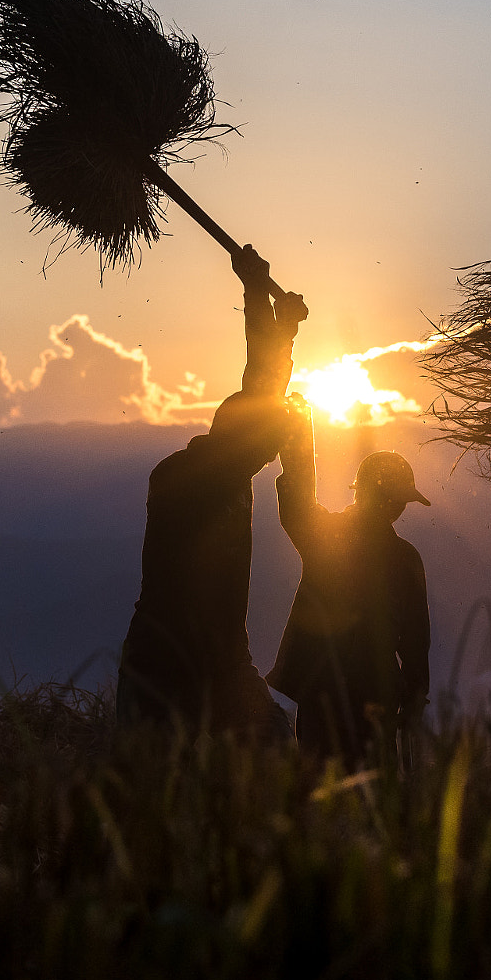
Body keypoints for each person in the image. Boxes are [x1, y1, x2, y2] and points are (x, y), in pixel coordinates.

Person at [114, 246, 307, 742]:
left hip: (214, 655)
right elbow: (260, 403)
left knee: (262, 748)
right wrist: (257, 296)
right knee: (165, 777)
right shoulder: (191, 478)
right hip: (170, 660)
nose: (272, 448)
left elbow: (259, 395)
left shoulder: (222, 470)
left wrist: (280, 327)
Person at [266, 394, 431, 765]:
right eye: (397, 499)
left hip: (328, 693)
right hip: (367, 698)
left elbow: (296, 502)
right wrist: (415, 699)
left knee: (324, 798)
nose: (399, 508)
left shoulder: (328, 537)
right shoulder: (401, 557)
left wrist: (297, 431)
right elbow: (417, 644)